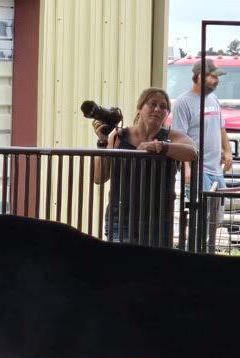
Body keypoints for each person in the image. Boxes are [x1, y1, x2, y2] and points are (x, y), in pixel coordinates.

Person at [92, 87, 197, 246]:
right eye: (152, 104)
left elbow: (192, 152)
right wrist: (102, 142)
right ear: (140, 108)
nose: (157, 109)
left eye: (163, 106)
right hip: (121, 219)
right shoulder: (119, 136)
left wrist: (162, 147)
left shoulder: (171, 137)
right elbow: (98, 178)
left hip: (158, 220)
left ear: (167, 113)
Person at [171, 59, 233, 191]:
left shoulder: (214, 99)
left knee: (219, 205)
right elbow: (178, 138)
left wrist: (227, 151)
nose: (217, 80)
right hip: (198, 171)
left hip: (217, 170)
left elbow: (221, 128)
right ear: (200, 76)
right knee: (202, 205)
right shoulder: (183, 103)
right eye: (214, 76)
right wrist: (186, 167)